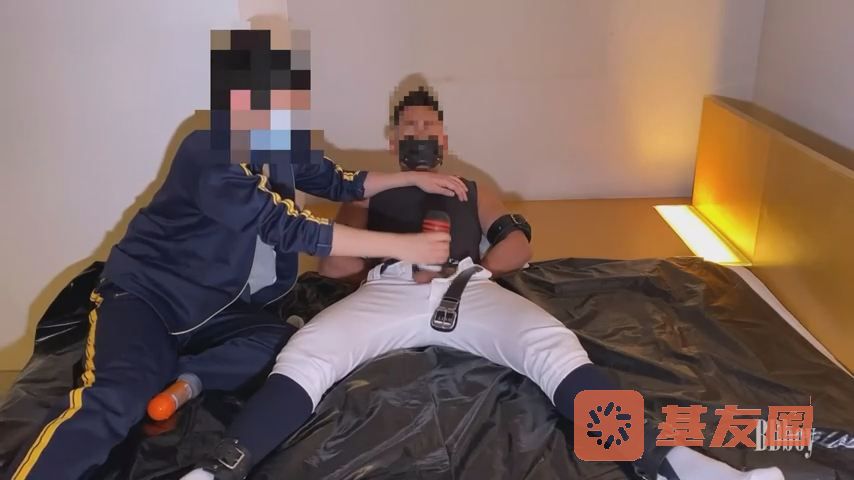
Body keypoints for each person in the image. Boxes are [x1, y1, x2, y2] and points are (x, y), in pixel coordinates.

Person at [182, 87, 785, 480]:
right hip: (388, 288)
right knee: (308, 354)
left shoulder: (474, 189)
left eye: (429, 125)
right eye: (409, 126)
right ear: (395, 140)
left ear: (443, 138)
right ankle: (216, 471)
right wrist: (380, 229)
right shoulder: (368, 188)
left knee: (553, 349)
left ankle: (673, 463)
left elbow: (517, 243)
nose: (420, 133)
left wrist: (471, 272)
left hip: (466, 286)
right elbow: (337, 269)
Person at [5, 25, 468, 480]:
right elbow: (289, 228)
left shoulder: (283, 144)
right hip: (148, 298)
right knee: (117, 397)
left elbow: (341, 181)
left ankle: (185, 379)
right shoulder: (208, 151)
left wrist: (412, 178)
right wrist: (404, 246)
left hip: (216, 309)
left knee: (288, 343)